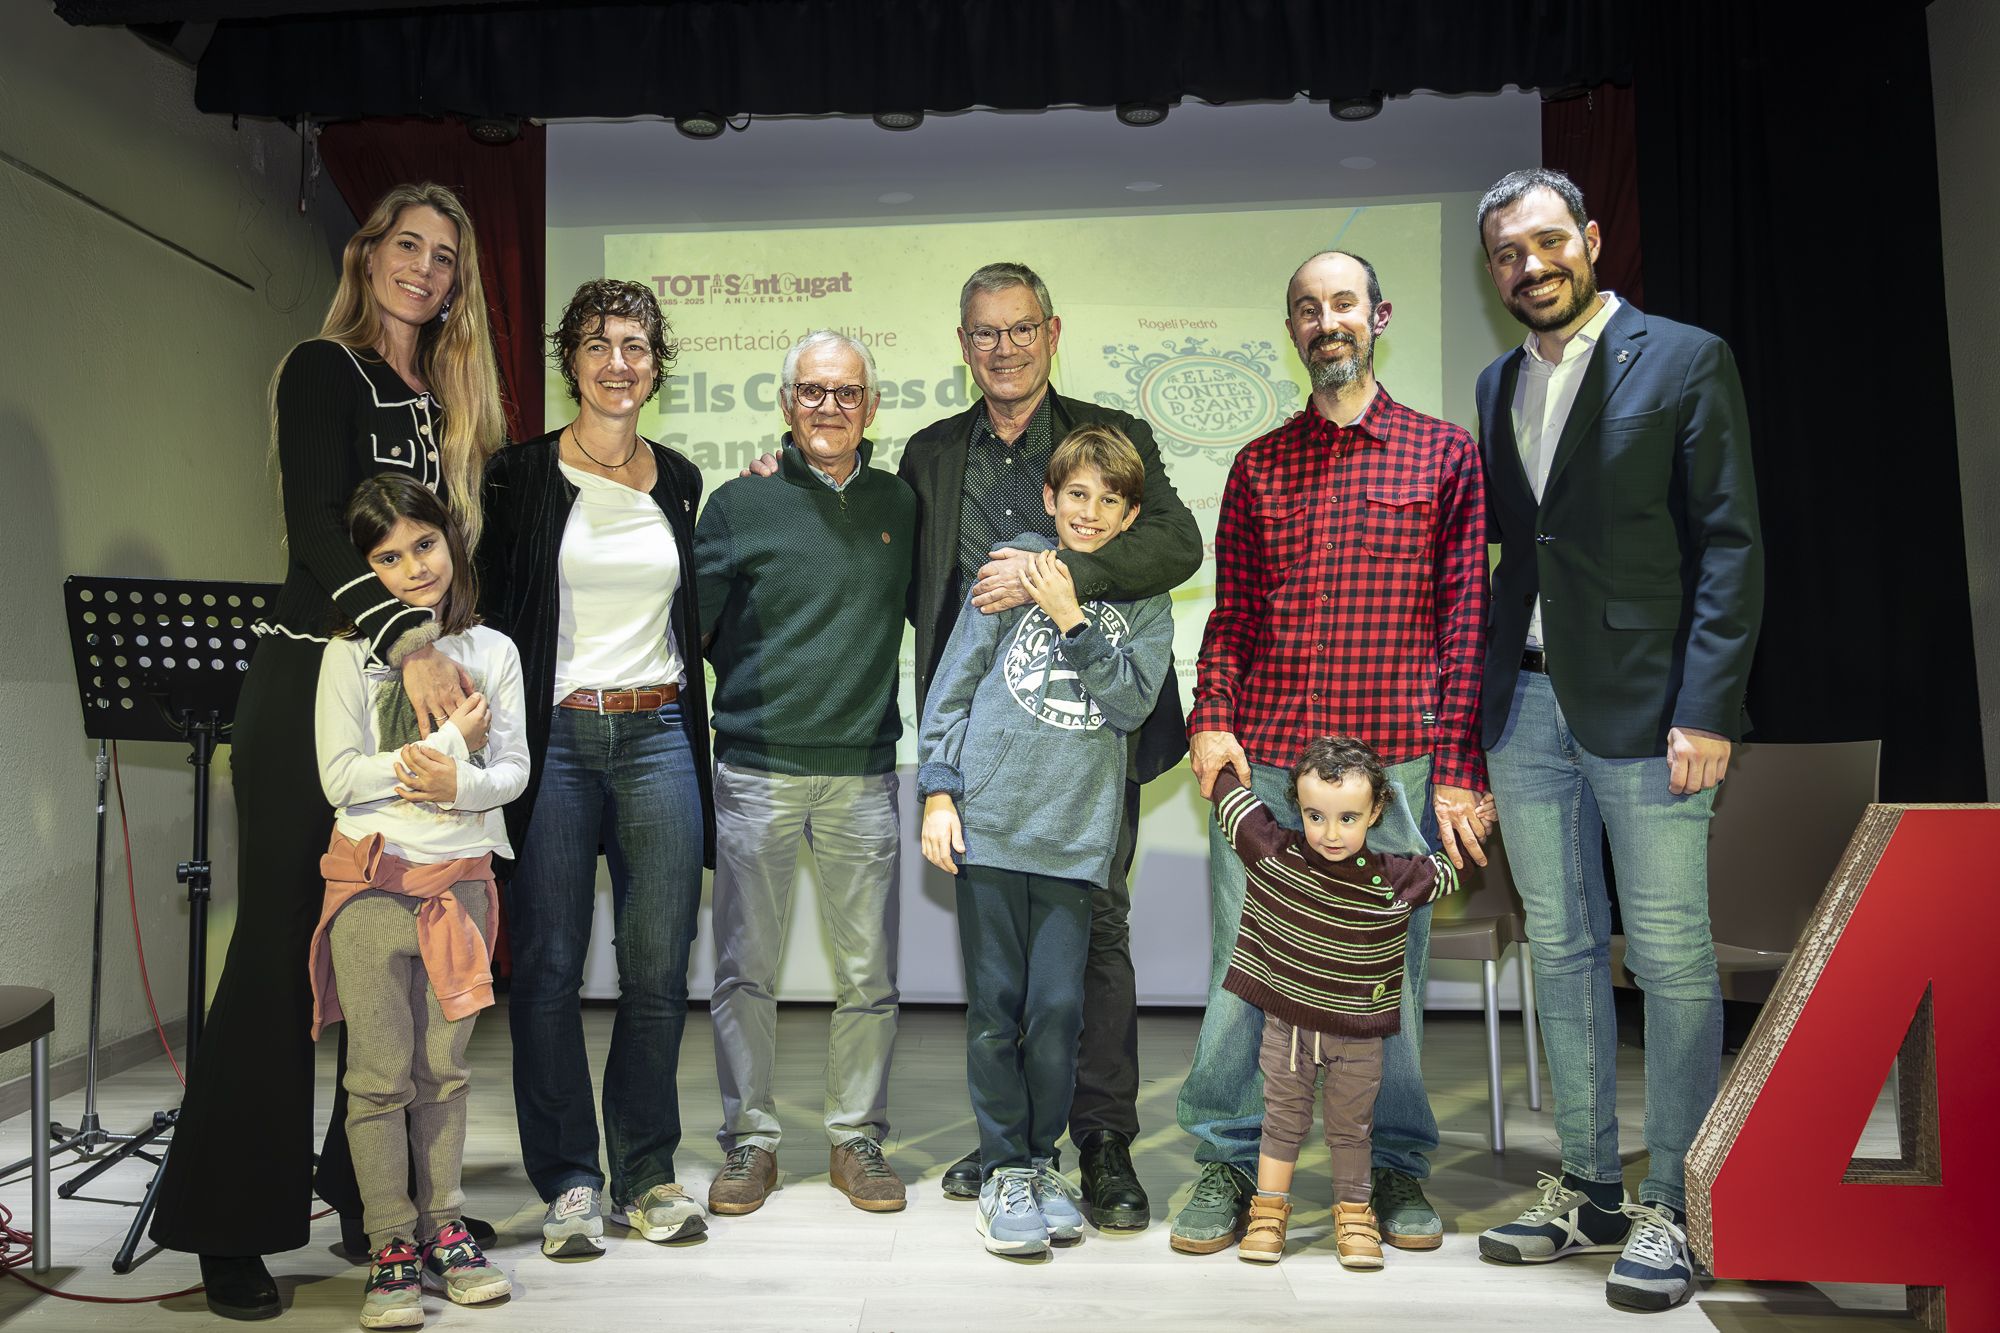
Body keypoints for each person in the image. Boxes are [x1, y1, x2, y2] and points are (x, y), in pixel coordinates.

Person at [148, 182, 508, 1320]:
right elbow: (316, 528)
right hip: (319, 678)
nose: (425, 269)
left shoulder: (436, 400)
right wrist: (411, 649)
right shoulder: (323, 368)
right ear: (367, 254)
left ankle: (374, 1207)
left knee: (392, 942)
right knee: (274, 960)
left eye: (444, 257)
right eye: (407, 245)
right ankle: (226, 1225)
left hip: (407, 690)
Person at [1469, 168, 1764, 1312]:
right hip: (1526, 709)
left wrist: (1706, 706)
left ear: (1588, 240)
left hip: (1652, 712)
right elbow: (1515, 549)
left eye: (1546, 241)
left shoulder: (1684, 358)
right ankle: (1589, 1185)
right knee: (1558, 948)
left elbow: (1728, 544)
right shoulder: (1498, 381)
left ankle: (1677, 1206)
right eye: (1505, 252)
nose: (1528, 265)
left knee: (1672, 959)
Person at [1175, 249, 1492, 1257]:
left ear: (1378, 317)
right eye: (1305, 309)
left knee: (1379, 976)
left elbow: (1463, 626)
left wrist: (1455, 767)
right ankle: (1227, 1160)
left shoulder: (1444, 456)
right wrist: (1208, 716)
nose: (1325, 323)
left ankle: (1392, 1164)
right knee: (1245, 966)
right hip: (1266, 760)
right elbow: (1229, 617)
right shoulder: (1258, 466)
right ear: (1292, 330)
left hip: (1394, 771)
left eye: (1341, 304)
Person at [902, 262, 1201, 1225]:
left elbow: (1176, 547)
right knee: (1001, 979)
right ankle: (1014, 1150)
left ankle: (1103, 1141)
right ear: (963, 345)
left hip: (1087, 746)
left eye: (1021, 329)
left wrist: (1050, 568)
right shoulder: (931, 451)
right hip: (990, 751)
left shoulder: (1111, 441)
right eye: (985, 333)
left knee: (1094, 947)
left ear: (1052, 331)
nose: (1004, 347)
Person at [477, 278, 715, 1258]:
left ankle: (646, 1174)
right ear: (569, 357)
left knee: (657, 976)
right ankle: (571, 1181)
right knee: (542, 973)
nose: (619, 362)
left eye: (638, 346)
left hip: (658, 737)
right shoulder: (517, 475)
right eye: (600, 343)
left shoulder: (680, 479)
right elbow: (491, 615)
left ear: (657, 364)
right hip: (555, 745)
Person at [693, 330, 916, 1217]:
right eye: (813, 392)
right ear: (787, 404)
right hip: (756, 771)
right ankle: (750, 1140)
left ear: (869, 405)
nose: (831, 407)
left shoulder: (902, 502)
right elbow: (691, 636)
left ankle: (856, 1135)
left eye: (848, 393)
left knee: (870, 975)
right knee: (745, 971)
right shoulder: (737, 504)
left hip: (864, 775)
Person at [310, 475, 525, 1328]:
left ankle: (444, 1226)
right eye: (387, 557)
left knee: (445, 1070)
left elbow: (510, 772)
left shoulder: (492, 652)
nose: (412, 568)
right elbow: (338, 776)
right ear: (368, 571)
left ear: (451, 541)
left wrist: (461, 775)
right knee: (376, 1079)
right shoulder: (345, 654)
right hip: (370, 889)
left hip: (461, 889)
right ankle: (390, 1241)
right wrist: (439, 749)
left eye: (424, 545)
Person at [1208, 736, 1458, 1270]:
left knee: (1352, 1128)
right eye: (1316, 816)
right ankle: (1269, 1211)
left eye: (1349, 818)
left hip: (1360, 1035)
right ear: (1297, 808)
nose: (1330, 832)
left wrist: (1480, 812)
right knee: (1282, 1121)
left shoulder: (1393, 877)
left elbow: (1449, 873)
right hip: (1288, 1032)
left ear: (1376, 812)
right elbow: (1230, 801)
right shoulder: (1276, 852)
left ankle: (1353, 1213)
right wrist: (1215, 749)